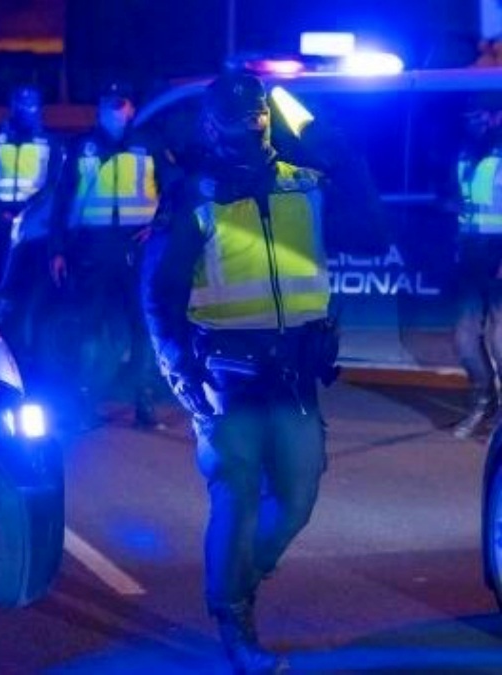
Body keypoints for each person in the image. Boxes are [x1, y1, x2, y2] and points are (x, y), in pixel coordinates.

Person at [141, 72, 384, 674]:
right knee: (238, 497)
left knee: (299, 498)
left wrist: (345, 157)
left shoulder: (304, 184)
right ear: (213, 124)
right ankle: (236, 624)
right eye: (239, 116)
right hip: (228, 379)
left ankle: (236, 583)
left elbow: (374, 235)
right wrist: (181, 378)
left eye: (258, 113)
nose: (253, 123)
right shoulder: (195, 195)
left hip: (296, 373)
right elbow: (159, 294)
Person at [47, 82, 163, 428]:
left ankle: (144, 403)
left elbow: (173, 191)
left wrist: (160, 224)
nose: (115, 111)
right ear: (99, 107)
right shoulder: (82, 147)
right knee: (89, 328)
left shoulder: (149, 145)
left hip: (135, 250)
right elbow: (61, 202)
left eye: (121, 104)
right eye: (108, 104)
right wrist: (57, 250)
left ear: (131, 108)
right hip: (91, 249)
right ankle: (84, 404)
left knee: (143, 328)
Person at [0, 85, 63, 289]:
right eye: (21, 106)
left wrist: (31, 210)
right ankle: (1, 303)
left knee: (33, 271)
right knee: (1, 265)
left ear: (39, 109)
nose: (26, 111)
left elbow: (55, 183)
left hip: (35, 218)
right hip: (1, 218)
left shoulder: (50, 143)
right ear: (13, 107)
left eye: (31, 106)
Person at [451, 94, 502, 439]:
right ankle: (484, 401)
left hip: (499, 250)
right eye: (468, 115)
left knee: (500, 337)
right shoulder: (466, 154)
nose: (473, 121)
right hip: (471, 251)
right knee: (465, 339)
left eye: (479, 114)